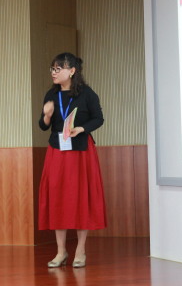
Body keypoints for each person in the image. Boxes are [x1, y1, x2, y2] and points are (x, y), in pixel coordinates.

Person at [38, 52, 107, 268]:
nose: (54, 72)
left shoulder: (87, 94)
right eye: (52, 69)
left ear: (72, 71)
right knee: (58, 198)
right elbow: (43, 126)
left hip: (80, 152)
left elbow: (99, 118)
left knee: (80, 198)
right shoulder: (51, 94)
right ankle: (61, 252)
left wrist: (82, 129)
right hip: (57, 151)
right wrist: (47, 116)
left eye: (58, 69)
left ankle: (80, 250)